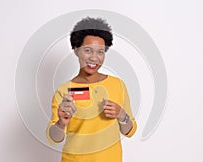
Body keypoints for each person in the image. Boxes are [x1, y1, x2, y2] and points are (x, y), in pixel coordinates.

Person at [46, 17, 137, 162]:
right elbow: (53, 138)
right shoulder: (64, 91)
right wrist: (61, 123)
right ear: (76, 50)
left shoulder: (117, 85)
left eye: (100, 52)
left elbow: (130, 131)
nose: (94, 58)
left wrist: (121, 115)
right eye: (88, 51)